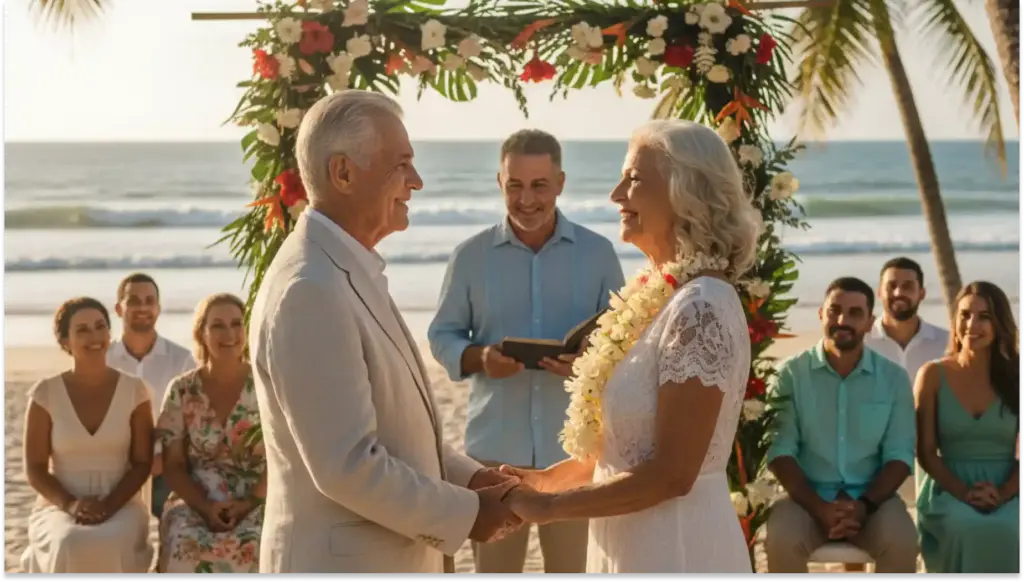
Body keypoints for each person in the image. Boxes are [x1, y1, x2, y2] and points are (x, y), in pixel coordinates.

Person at [248, 89, 520, 574]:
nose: (417, 181)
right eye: (402, 165)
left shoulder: (346, 268)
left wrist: (471, 479)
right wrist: (468, 514)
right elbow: (347, 466)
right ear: (343, 173)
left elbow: (397, 434)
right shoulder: (309, 289)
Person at [497, 120, 761, 573]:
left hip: (675, 545)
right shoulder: (658, 296)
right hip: (626, 539)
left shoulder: (701, 308)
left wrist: (548, 509)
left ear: (685, 191)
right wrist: (543, 482)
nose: (616, 194)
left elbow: (673, 475)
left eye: (634, 179)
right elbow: (623, 448)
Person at [428, 129, 624, 573]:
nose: (526, 199)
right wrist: (481, 359)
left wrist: (588, 363)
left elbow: (623, 342)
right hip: (493, 456)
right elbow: (442, 336)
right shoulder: (470, 256)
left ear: (560, 183)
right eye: (515, 185)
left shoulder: (598, 254)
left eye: (539, 185)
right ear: (500, 182)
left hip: (575, 458)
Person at [764, 277, 919, 573]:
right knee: (781, 539)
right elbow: (780, 451)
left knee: (901, 541)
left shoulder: (893, 378)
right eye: (834, 310)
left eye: (855, 313)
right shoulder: (790, 375)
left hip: (873, 501)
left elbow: (899, 456)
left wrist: (864, 507)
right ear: (820, 314)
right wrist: (819, 508)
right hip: (805, 499)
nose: (842, 320)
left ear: (870, 322)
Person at [21, 297, 153, 573]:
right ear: (65, 341)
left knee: (109, 540)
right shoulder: (45, 394)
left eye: (100, 327)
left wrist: (109, 505)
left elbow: (142, 463)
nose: (94, 336)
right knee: (69, 541)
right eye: (82, 330)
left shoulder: (134, 391)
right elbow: (35, 468)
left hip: (122, 503)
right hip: (58, 504)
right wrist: (71, 505)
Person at [914, 281, 1019, 574]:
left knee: (1010, 527)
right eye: (964, 315)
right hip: (948, 487)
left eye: (984, 317)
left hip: (1008, 487)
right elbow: (926, 452)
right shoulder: (932, 375)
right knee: (965, 526)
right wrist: (964, 493)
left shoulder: (1017, 377)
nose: (972, 325)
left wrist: (1003, 493)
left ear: (999, 324)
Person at [156, 293, 266, 573]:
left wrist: (249, 502)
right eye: (217, 325)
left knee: (258, 545)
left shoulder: (267, 386)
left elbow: (283, 457)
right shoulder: (182, 390)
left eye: (236, 324)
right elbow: (173, 465)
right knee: (184, 547)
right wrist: (204, 506)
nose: (229, 334)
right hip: (196, 499)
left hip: (258, 497)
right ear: (201, 333)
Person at [107, 272, 196, 519]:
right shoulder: (103, 358)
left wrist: (163, 457)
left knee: (178, 517)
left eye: (149, 301)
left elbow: (193, 422)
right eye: (134, 301)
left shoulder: (182, 360)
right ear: (119, 308)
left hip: (165, 466)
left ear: (158, 308)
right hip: (113, 466)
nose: (143, 307)